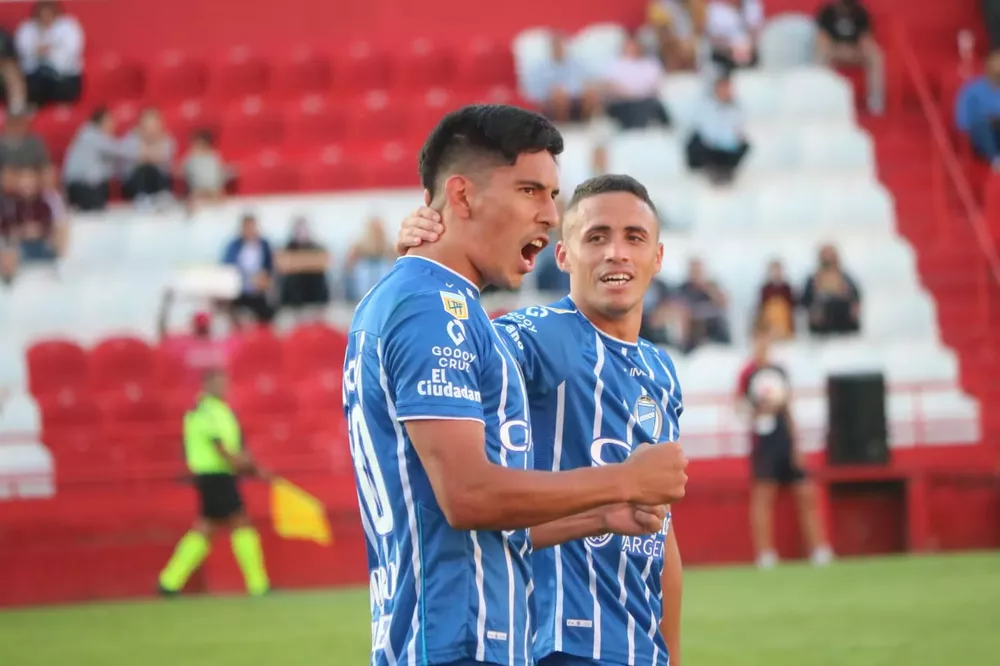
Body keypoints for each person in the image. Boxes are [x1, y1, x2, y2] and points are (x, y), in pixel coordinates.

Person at [343, 105, 688, 666]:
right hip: (468, 642)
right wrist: (623, 479)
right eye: (531, 191)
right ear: (461, 197)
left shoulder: (448, 308)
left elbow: (482, 526)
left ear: (658, 255)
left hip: (483, 639)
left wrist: (602, 517)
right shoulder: (449, 313)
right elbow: (468, 496)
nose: (548, 213)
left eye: (552, 195)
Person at [157, 369, 271, 597]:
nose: (223, 387)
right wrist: (250, 468)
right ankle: (258, 585)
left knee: (206, 528)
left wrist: (248, 464)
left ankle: (169, 582)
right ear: (206, 384)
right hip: (214, 475)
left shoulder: (222, 410)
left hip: (220, 475)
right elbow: (220, 447)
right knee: (240, 523)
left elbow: (233, 445)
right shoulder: (205, 411)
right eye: (218, 383)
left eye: (225, 383)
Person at [735, 325, 833, 570]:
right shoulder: (748, 373)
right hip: (763, 443)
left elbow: (788, 408)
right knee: (764, 497)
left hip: (783, 440)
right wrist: (758, 409)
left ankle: (819, 548)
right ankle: (766, 554)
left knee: (805, 494)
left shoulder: (779, 371)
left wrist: (795, 444)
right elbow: (740, 407)